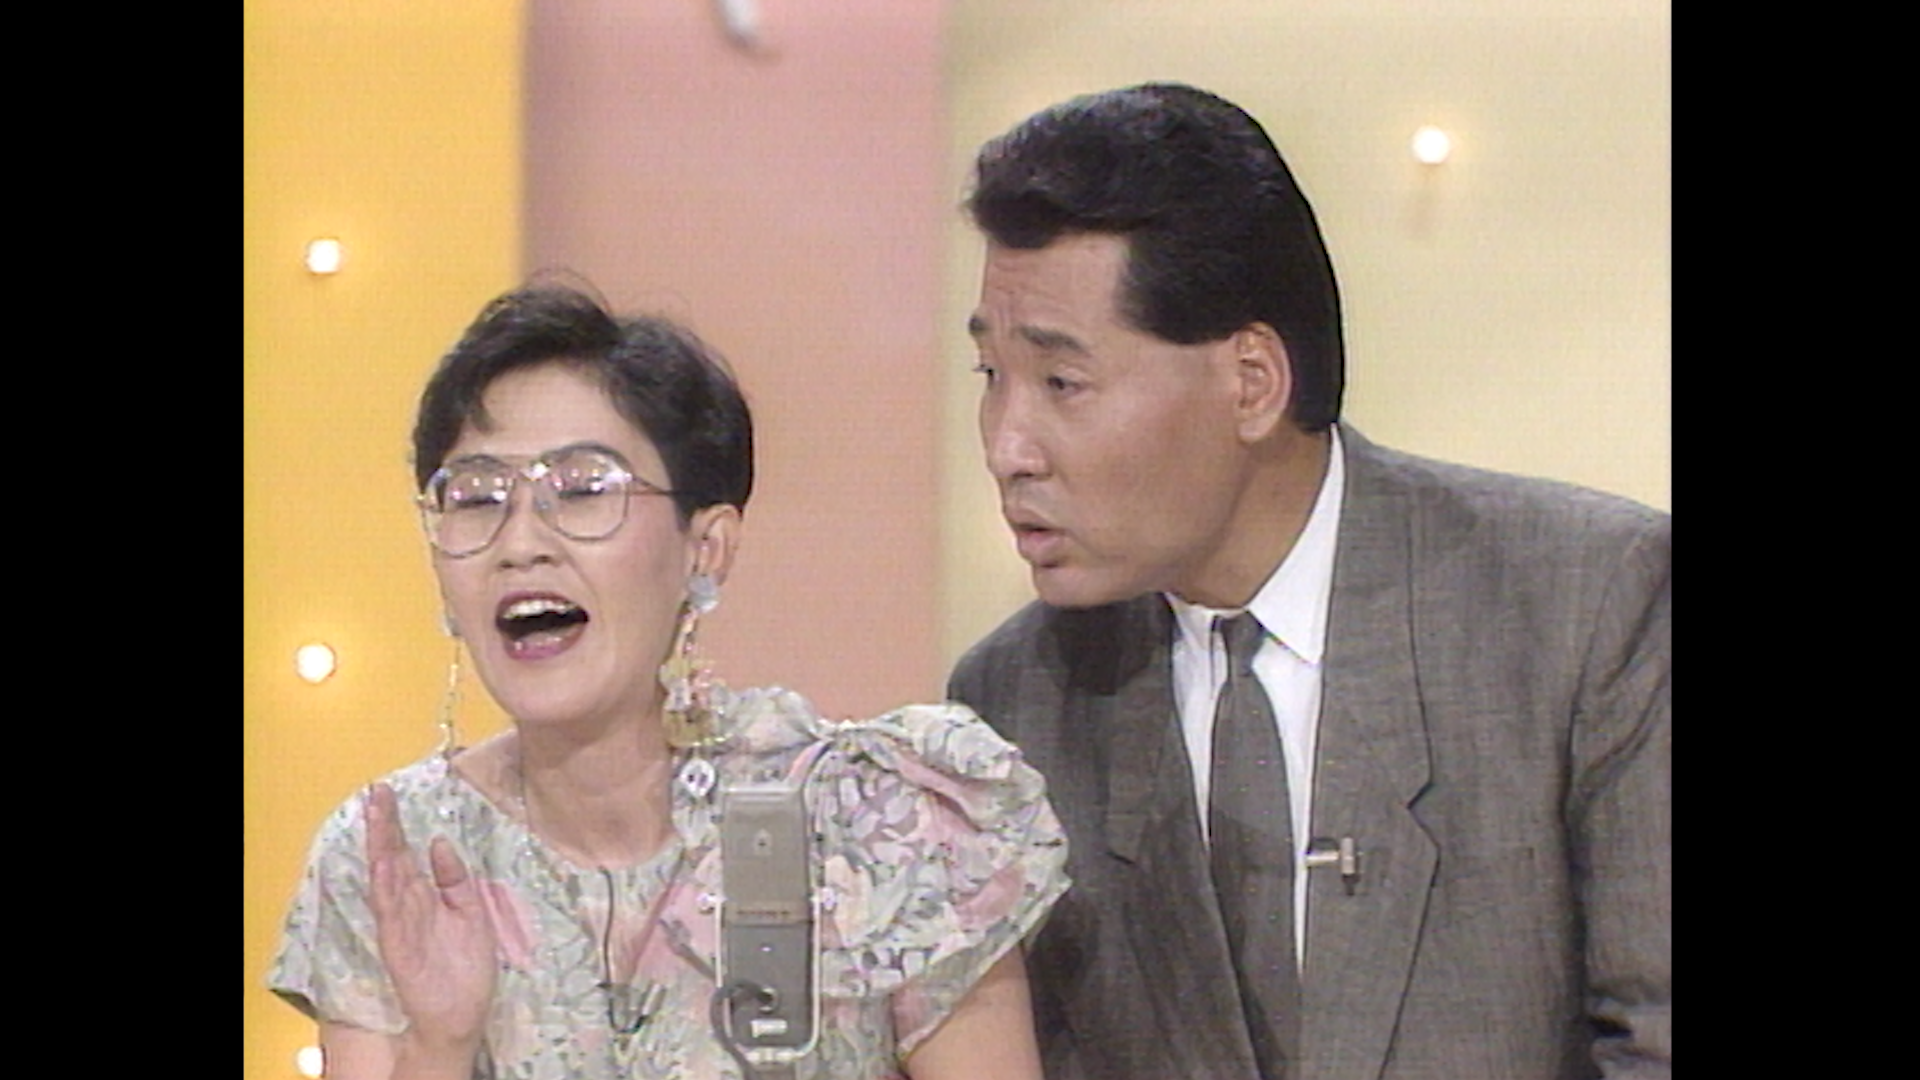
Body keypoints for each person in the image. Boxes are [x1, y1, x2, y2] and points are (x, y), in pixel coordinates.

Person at [946, 83, 1669, 1080]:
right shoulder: (1011, 700)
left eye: (1061, 383)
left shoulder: (1587, 608)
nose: (1007, 448)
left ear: (1252, 381)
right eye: (991, 378)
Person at [269, 283, 1070, 1080]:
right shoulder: (395, 855)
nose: (520, 543)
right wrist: (439, 1046)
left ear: (706, 547)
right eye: (476, 499)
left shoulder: (876, 823)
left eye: (583, 490)